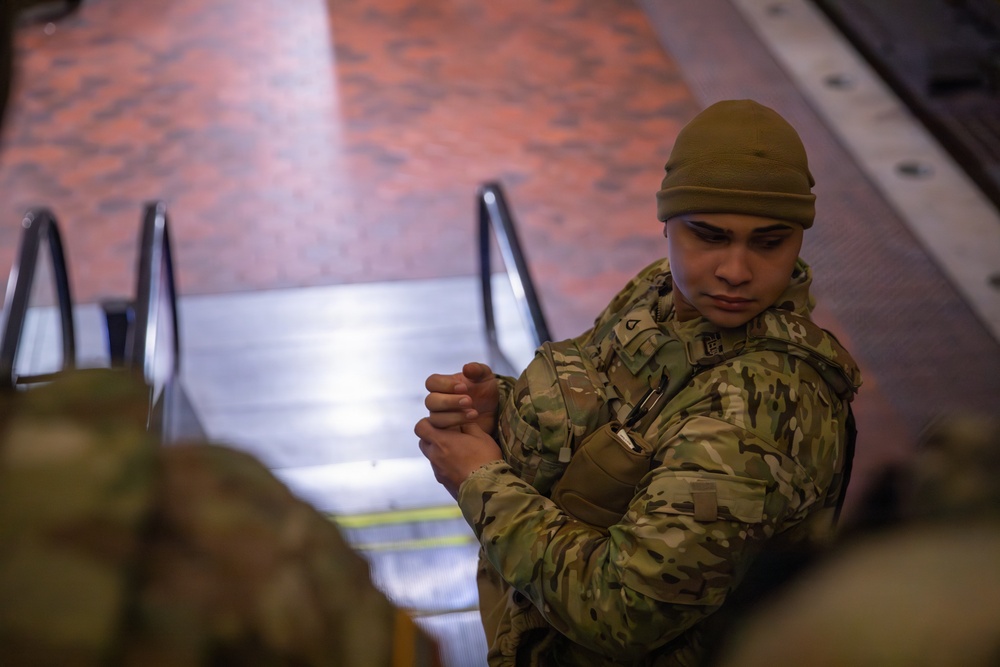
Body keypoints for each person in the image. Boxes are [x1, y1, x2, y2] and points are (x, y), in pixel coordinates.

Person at [416, 99, 862, 665]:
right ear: (667, 224)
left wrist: (478, 480)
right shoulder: (657, 293)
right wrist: (500, 409)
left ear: (797, 239)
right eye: (709, 235)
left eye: (769, 242)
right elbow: (612, 408)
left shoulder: (758, 408)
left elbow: (624, 611)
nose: (736, 271)